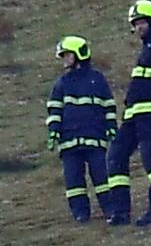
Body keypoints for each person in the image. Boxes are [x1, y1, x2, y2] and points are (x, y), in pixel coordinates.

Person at [107, 0, 151, 227]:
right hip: (134, 115)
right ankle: (120, 212)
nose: (139, 27)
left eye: (143, 22)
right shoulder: (148, 48)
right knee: (115, 156)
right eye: (136, 23)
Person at [46, 36, 117, 223]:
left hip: (95, 138)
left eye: (67, 55)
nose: (65, 60)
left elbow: (108, 106)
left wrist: (111, 127)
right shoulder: (62, 83)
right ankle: (80, 213)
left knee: (102, 177)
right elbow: (54, 109)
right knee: (74, 181)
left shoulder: (97, 79)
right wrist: (54, 130)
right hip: (69, 141)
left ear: (79, 55)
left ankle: (110, 209)